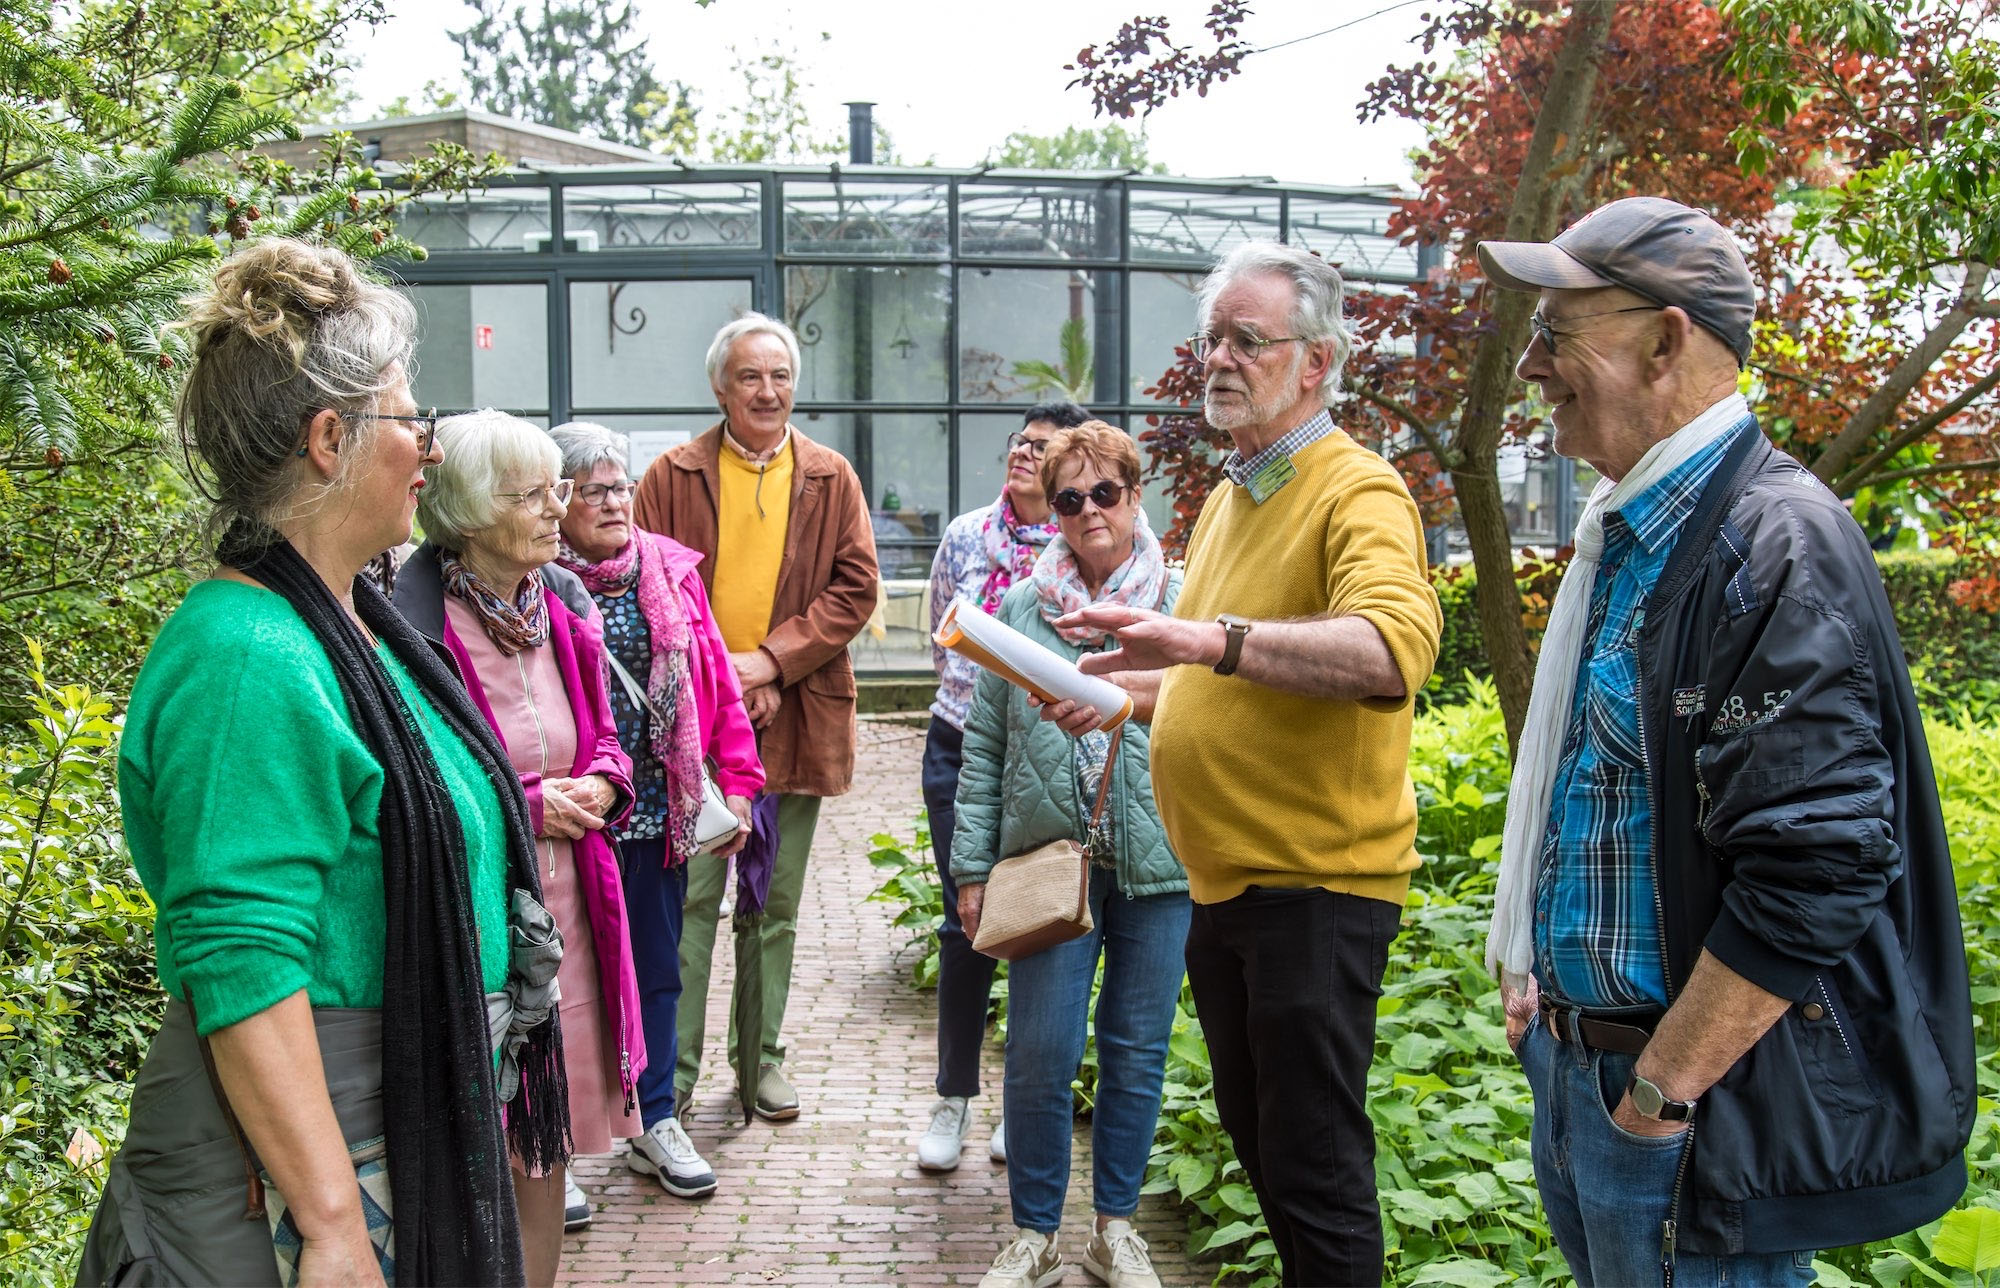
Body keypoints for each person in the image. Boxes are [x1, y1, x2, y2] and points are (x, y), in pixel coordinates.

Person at [1476, 196, 1974, 1284]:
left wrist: (1656, 1092)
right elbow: (1600, 789)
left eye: (1555, 331)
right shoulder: (1633, 532)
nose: (1529, 366)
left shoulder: (1769, 545)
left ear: (1664, 340)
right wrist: (1547, 1003)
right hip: (1581, 1072)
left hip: (1683, 1111)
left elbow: (1817, 864)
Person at [78, 240, 562, 1287]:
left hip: (392, 1122)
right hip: (318, 1168)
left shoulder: (352, 626)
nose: (428, 444)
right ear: (331, 438)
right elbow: (240, 960)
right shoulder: (247, 657)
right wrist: (334, 1225)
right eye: (406, 416)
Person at [1057, 242, 1442, 1285]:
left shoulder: (1355, 488)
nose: (1217, 357)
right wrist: (1119, 698)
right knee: (1271, 1160)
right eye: (1210, 336)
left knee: (1313, 1174)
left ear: (1313, 362)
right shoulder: (1233, 496)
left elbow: (1389, 649)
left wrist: (1203, 639)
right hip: (1229, 887)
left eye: (1246, 339)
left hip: (1315, 886)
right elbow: (1215, 686)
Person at [396, 410, 644, 1286]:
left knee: (546, 1149)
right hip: (477, 927)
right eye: (531, 494)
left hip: (569, 917)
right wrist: (525, 803)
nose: (557, 509)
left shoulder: (562, 607)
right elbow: (418, 777)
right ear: (465, 513)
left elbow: (610, 739)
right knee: (478, 1148)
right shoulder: (412, 628)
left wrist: (606, 785)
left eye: (559, 489)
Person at [952, 421, 1187, 1288]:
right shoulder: (1020, 611)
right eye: (1069, 498)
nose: (1089, 511)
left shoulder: (1182, 600)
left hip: (1161, 866)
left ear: (1135, 496)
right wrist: (971, 870)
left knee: (1135, 1049)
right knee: (1041, 1050)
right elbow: (982, 748)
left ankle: (1114, 1230)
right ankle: (1035, 1235)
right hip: (1049, 861)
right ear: (1050, 510)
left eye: (1105, 493)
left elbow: (1215, 723)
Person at [632, 313, 879, 1122]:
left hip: (796, 714)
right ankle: (677, 1073)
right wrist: (724, 684)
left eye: (779, 376)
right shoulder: (670, 476)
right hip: (693, 728)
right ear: (720, 387)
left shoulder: (831, 477)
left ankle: (762, 1063)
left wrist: (771, 664)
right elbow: (645, 585)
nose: (767, 390)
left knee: (772, 905)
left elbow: (853, 588)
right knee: (694, 900)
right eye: (750, 376)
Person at [549, 421, 764, 1202]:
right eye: (596, 490)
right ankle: (559, 1144)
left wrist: (738, 779)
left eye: (621, 487)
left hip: (656, 815)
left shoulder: (668, 572)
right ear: (559, 500)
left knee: (658, 972)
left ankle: (654, 1121)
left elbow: (716, 684)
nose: (615, 503)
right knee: (566, 979)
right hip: (574, 819)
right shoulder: (530, 578)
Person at [914, 399, 1091, 1173]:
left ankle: (1027, 1104)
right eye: (1020, 442)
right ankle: (952, 1098)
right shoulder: (963, 537)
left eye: (1043, 449)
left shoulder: (1080, 546)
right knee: (969, 920)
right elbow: (939, 637)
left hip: (1054, 756)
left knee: (1042, 923)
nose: (1024, 454)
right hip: (960, 747)